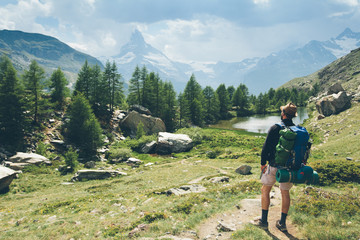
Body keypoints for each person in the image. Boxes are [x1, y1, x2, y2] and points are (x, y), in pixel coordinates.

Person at [252, 102, 298, 232]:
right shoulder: (296, 130)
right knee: (285, 193)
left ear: (283, 114)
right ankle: (282, 223)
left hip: (273, 165)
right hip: (289, 167)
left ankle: (264, 221)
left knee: (265, 190)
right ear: (293, 116)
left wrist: (262, 164)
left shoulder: (275, 128)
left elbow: (265, 148)